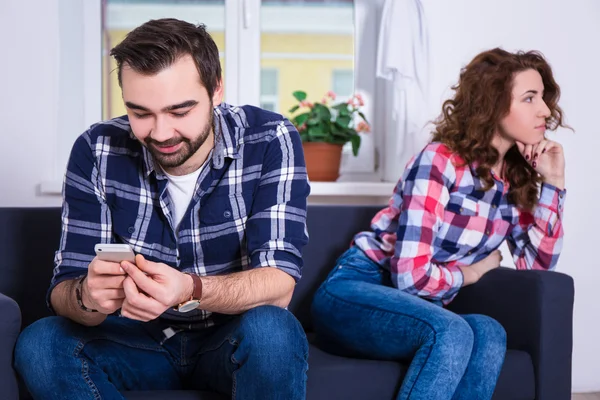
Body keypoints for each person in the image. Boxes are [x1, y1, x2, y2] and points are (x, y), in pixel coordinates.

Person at [14, 18, 310, 400]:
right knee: (41, 342)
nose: (160, 133)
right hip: (135, 340)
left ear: (216, 89)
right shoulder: (96, 149)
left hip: (230, 337)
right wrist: (89, 297)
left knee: (273, 331)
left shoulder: (271, 138)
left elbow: (279, 284)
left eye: (180, 111)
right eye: (141, 113)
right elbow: (63, 291)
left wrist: (189, 288)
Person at [311, 48, 568, 400]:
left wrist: (553, 182)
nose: (544, 110)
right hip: (356, 289)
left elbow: (538, 266)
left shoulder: (514, 181)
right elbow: (409, 276)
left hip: (422, 309)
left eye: (542, 98)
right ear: (493, 104)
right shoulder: (440, 161)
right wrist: (470, 273)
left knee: (490, 331)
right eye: (529, 98)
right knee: (453, 332)